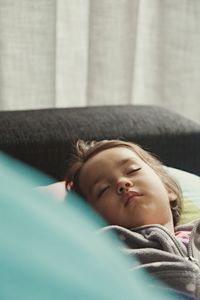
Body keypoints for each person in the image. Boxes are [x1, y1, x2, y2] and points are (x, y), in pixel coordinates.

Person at [65, 139, 200, 299]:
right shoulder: (106, 253)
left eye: (132, 170)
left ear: (168, 189)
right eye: (103, 189)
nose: (121, 183)